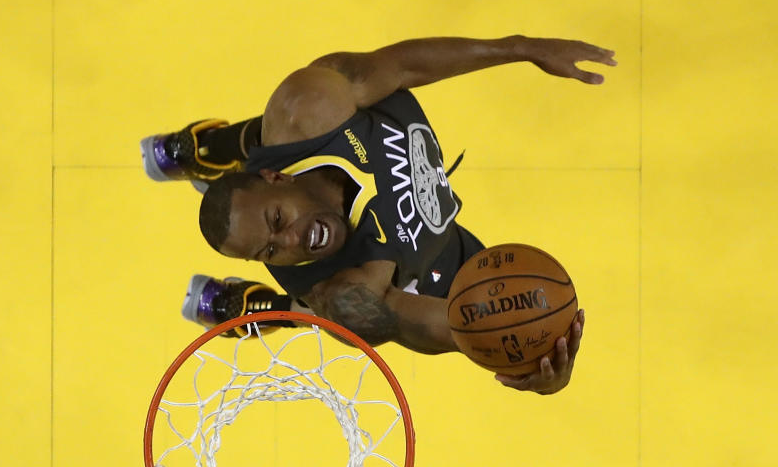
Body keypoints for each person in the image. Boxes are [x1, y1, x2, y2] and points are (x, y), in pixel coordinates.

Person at [141, 35, 616, 394]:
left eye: (278, 223)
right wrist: (525, 354)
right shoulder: (347, 289)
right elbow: (447, 325)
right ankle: (276, 308)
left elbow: (404, 66)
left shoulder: (309, 107)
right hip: (427, 270)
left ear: (277, 180)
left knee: (275, 131)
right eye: (268, 251)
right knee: (334, 319)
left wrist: (520, 47)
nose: (289, 245)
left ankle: (211, 150)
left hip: (306, 147)